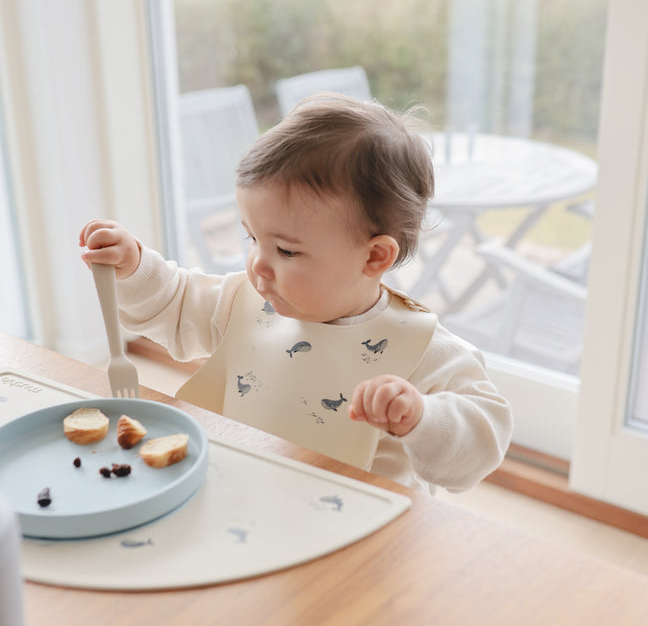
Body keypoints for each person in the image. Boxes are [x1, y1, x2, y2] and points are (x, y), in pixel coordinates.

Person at [80, 93, 511, 494]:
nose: (258, 265)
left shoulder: (424, 351)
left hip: (362, 538)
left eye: (286, 250)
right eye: (252, 238)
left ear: (375, 257)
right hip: (246, 497)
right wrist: (135, 267)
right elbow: (175, 304)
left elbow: (481, 444)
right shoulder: (244, 301)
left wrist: (420, 416)